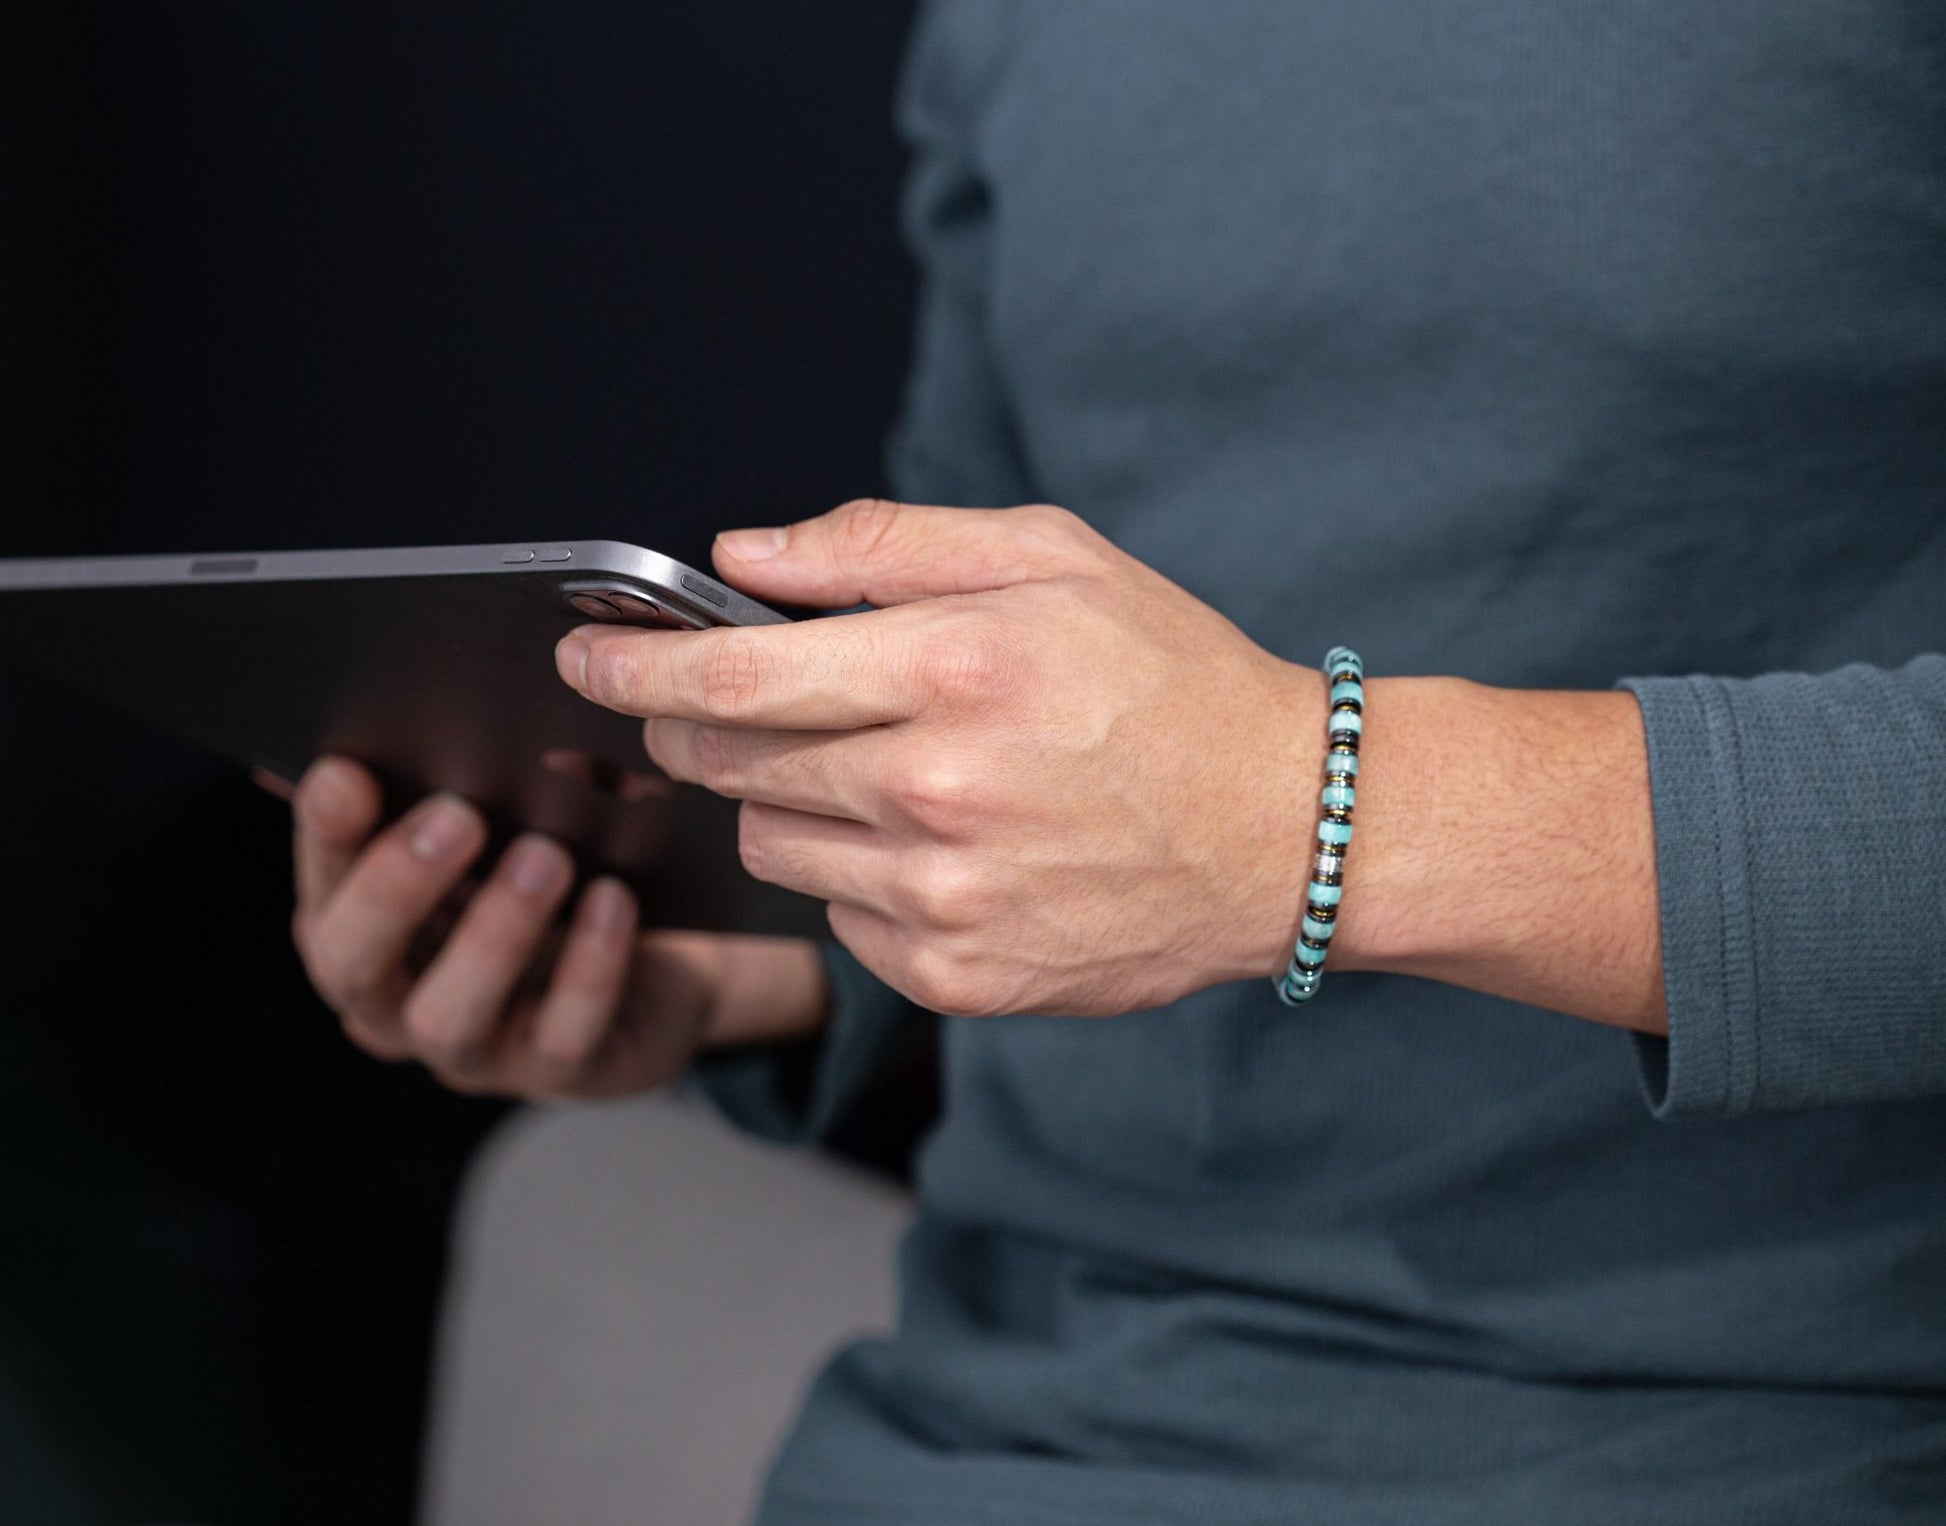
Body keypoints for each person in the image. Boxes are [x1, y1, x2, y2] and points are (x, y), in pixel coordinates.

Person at [286, 3, 1946, 1522]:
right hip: (978, 1427)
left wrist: (1312, 810)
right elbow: (1059, 698)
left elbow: (1217, 801)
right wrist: (747, 951)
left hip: (1732, 1437)